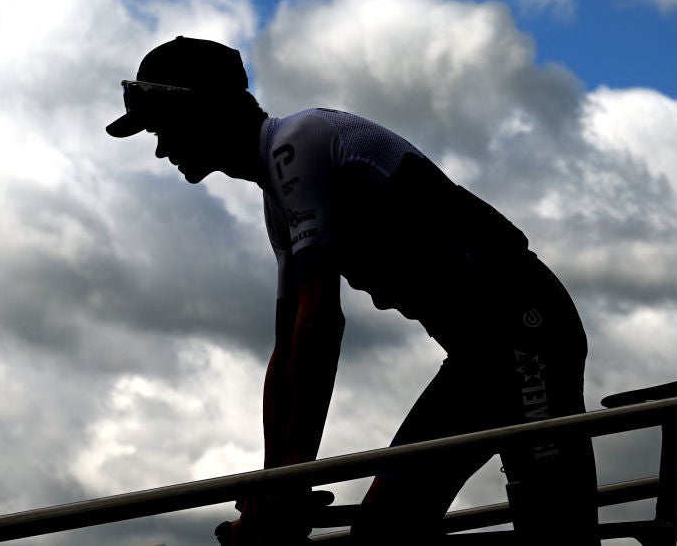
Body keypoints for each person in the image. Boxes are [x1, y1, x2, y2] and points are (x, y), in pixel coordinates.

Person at [106, 36, 599, 545]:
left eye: (162, 126)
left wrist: (291, 480)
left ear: (211, 107)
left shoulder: (297, 143)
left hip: (526, 330)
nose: (161, 147)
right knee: (382, 532)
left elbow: (320, 323)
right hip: (480, 353)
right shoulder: (278, 202)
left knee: (554, 524)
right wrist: (273, 479)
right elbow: (287, 353)